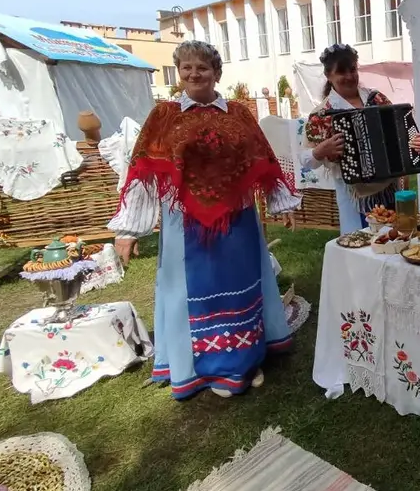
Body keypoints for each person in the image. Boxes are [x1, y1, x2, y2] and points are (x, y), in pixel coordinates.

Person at [109, 40, 298, 400]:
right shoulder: (164, 116)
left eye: (202, 67)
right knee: (188, 290)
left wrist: (281, 202)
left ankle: (244, 360)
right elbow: (142, 170)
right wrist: (128, 229)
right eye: (187, 68)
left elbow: (264, 159)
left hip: (237, 218)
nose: (194, 74)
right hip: (184, 222)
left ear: (217, 73)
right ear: (179, 73)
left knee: (241, 284)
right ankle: (194, 368)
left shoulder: (238, 114)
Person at [301, 43, 420, 234]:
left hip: (391, 189)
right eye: (341, 72)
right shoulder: (322, 115)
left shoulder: (376, 99)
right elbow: (305, 160)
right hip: (353, 196)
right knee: (361, 241)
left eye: (352, 70)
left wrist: (413, 143)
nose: (349, 76)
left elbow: (403, 132)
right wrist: (320, 151)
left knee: (395, 239)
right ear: (328, 76)